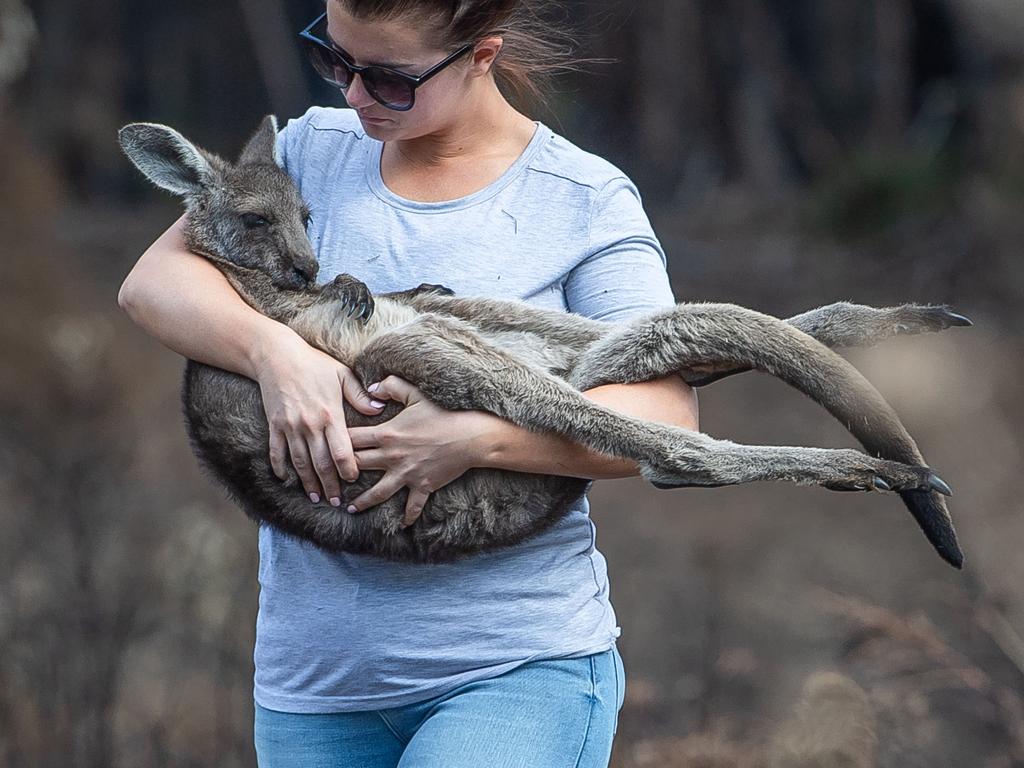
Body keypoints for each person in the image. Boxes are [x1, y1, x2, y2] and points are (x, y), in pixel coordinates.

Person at [117, 1, 699, 765]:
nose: (354, 96)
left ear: (480, 55)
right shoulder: (312, 149)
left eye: (388, 78)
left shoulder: (582, 200)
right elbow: (154, 283)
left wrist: (474, 440)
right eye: (336, 60)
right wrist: (277, 355)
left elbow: (664, 416)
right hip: (315, 681)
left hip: (512, 665)